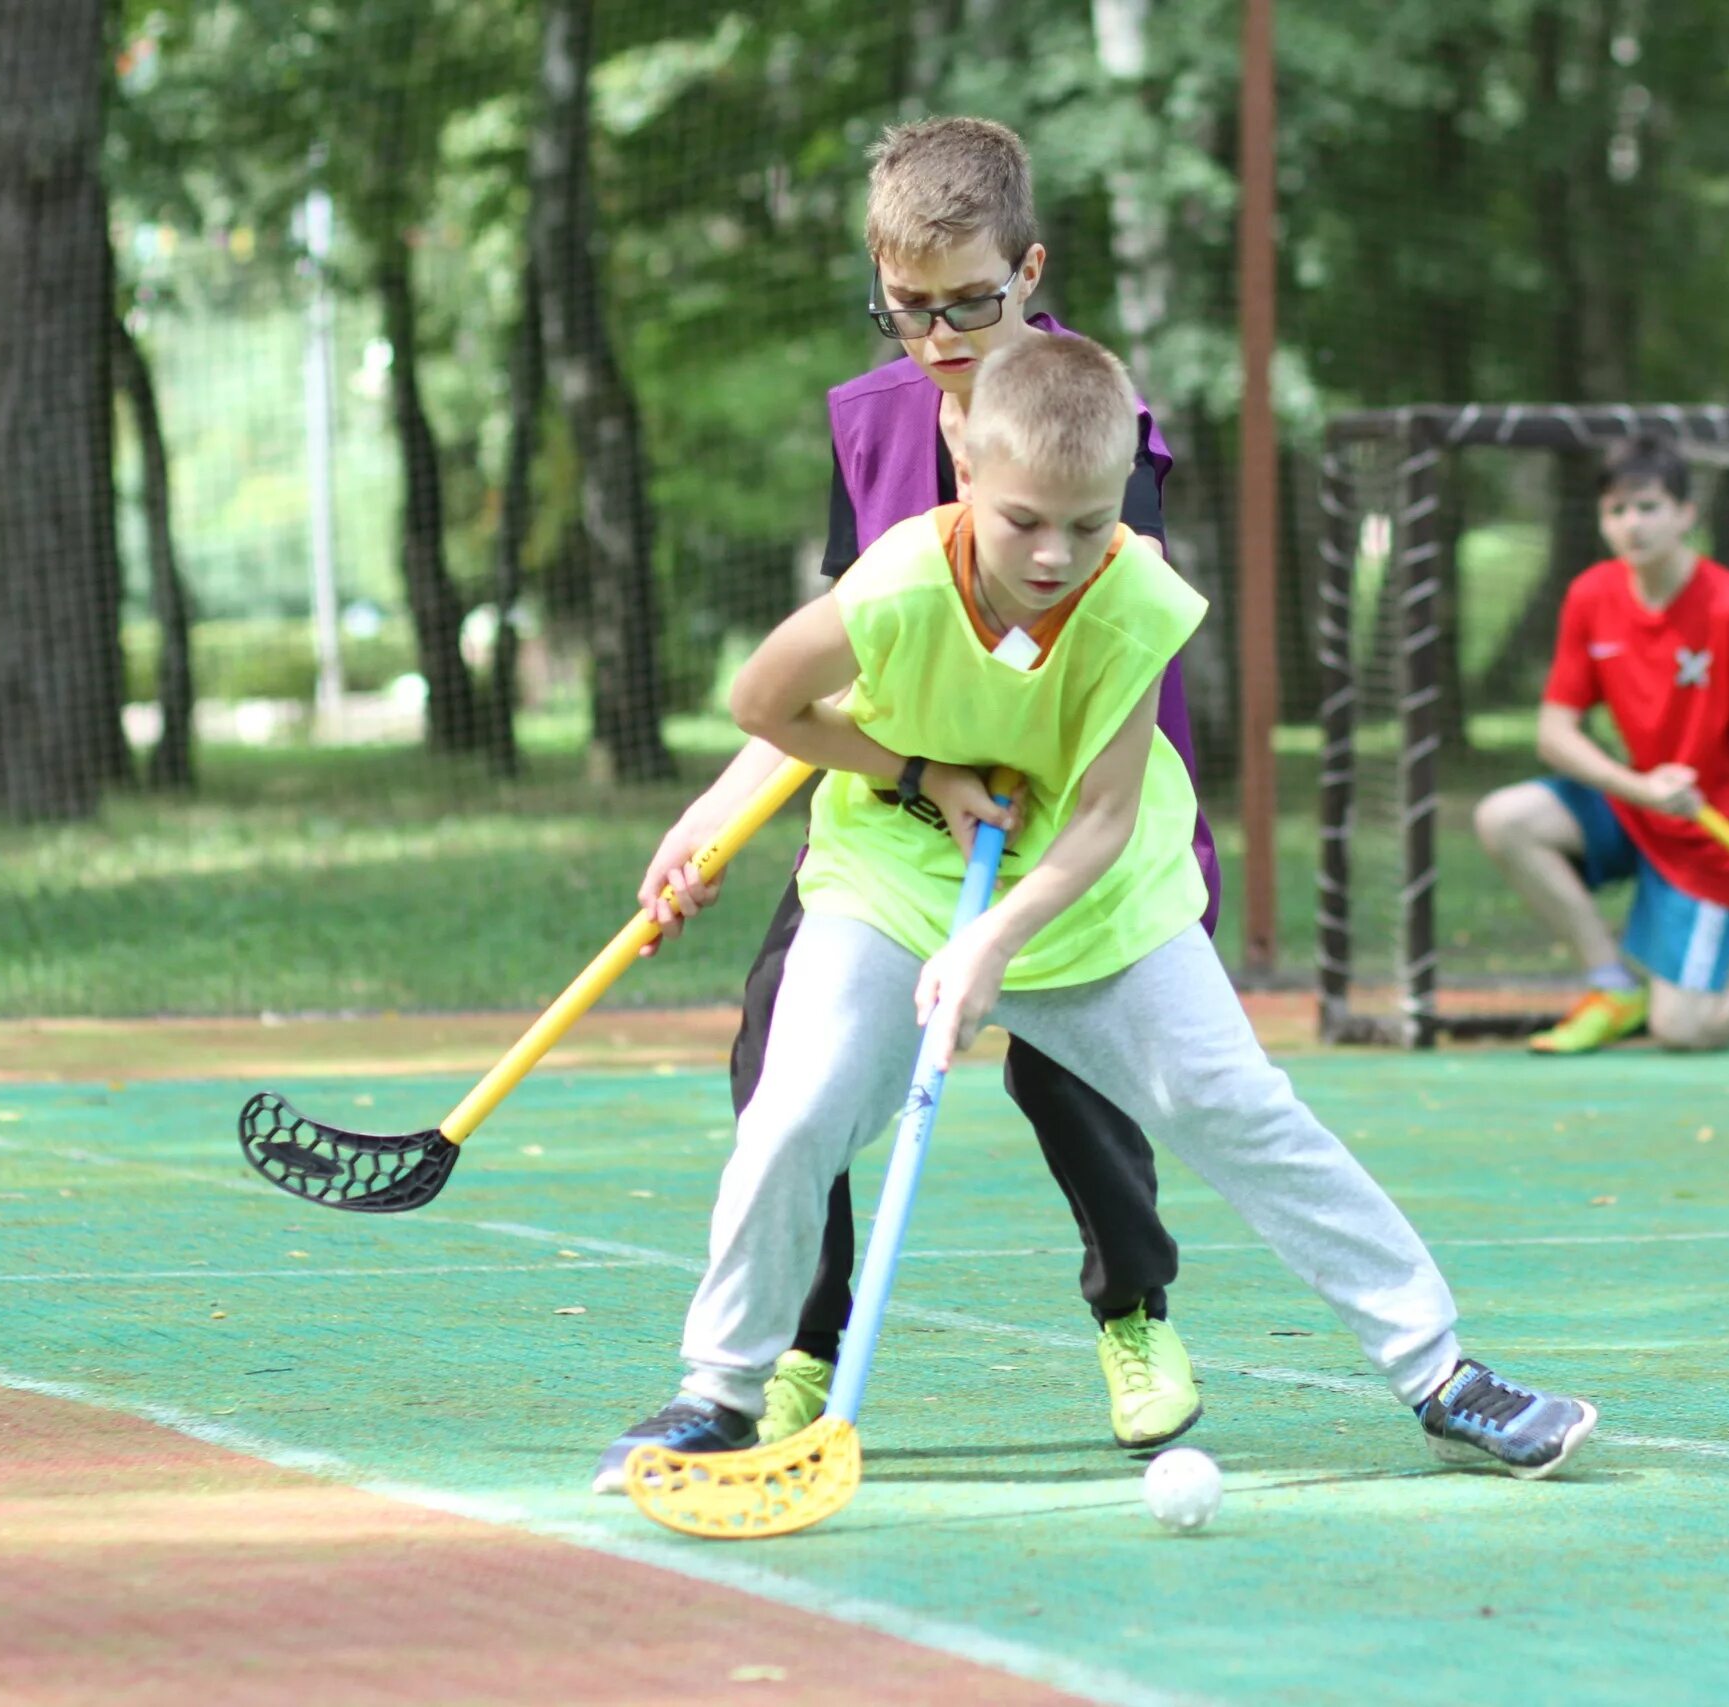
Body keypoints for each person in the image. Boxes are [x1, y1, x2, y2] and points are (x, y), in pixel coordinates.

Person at [590, 335, 1598, 1491]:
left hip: (1097, 900)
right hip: (891, 879)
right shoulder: (899, 582)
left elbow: (1106, 820)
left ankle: (1441, 1375)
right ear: (962, 462)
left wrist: (992, 944)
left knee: (1237, 1107)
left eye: (1090, 520)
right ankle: (715, 1397)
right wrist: (918, 773)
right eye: (1025, 521)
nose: (1057, 554)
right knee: (796, 1110)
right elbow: (763, 702)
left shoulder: (1135, 600)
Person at [617, 117, 1211, 1461]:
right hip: (900, 808)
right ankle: (800, 1344)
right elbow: (853, 644)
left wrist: (1004, 766)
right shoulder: (868, 420)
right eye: (908, 310)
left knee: (1081, 1077)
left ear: (1030, 269)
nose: (940, 337)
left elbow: (1092, 636)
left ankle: (1134, 1309)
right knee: (781, 1048)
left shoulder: (1102, 421)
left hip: (1072, 808)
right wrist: (719, 811)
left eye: (972, 304)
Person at [1471, 435, 1729, 1055]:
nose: (1632, 525)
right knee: (1505, 818)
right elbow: (1554, 733)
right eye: (1616, 512)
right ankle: (1614, 987)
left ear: (1685, 514)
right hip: (1641, 801)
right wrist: (1639, 789)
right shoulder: (1591, 596)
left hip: (1714, 836)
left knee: (1684, 1028)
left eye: (1648, 507)